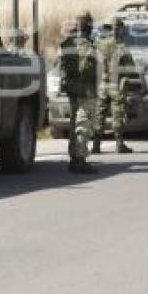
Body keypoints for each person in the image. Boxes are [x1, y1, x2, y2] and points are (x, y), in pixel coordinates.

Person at [58, 12, 99, 174]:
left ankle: (74, 157)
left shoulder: (68, 43)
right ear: (88, 25)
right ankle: (80, 159)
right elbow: (87, 69)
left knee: (75, 122)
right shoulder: (87, 46)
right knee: (83, 124)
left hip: (72, 89)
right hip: (85, 90)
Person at [94, 18, 137, 154]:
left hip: (102, 84)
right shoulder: (122, 47)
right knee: (117, 115)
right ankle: (119, 144)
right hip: (116, 85)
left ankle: (96, 145)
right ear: (121, 29)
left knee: (99, 114)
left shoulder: (101, 44)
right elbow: (131, 70)